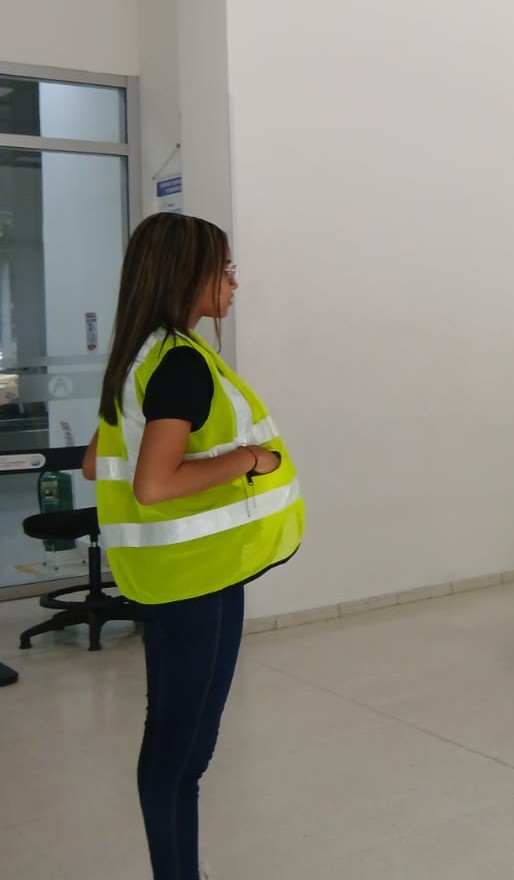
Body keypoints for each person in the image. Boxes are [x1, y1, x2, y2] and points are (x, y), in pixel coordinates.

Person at [84, 213, 304, 880]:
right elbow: (153, 484)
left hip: (191, 576)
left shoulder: (142, 357)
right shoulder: (179, 361)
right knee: (179, 753)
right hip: (192, 583)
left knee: (181, 749)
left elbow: (96, 462)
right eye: (225, 269)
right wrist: (249, 460)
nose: (234, 283)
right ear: (189, 276)